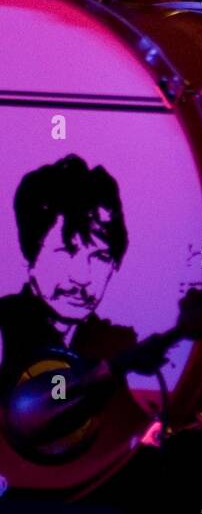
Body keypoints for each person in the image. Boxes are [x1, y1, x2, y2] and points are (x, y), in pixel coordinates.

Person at [0, 154, 132, 396]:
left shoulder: (116, 345)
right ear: (28, 255)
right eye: (67, 251)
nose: (82, 277)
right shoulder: (4, 332)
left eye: (101, 257)